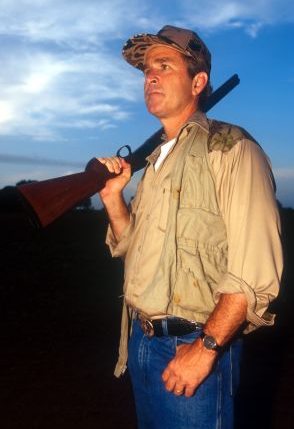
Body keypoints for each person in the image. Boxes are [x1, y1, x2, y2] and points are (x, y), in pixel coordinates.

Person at [97, 25, 283, 429]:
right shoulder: (154, 166)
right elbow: (132, 245)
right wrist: (113, 198)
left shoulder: (233, 149)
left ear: (198, 82)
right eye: (147, 69)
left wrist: (207, 348)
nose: (150, 76)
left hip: (194, 347)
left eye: (165, 66)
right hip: (141, 344)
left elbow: (255, 271)